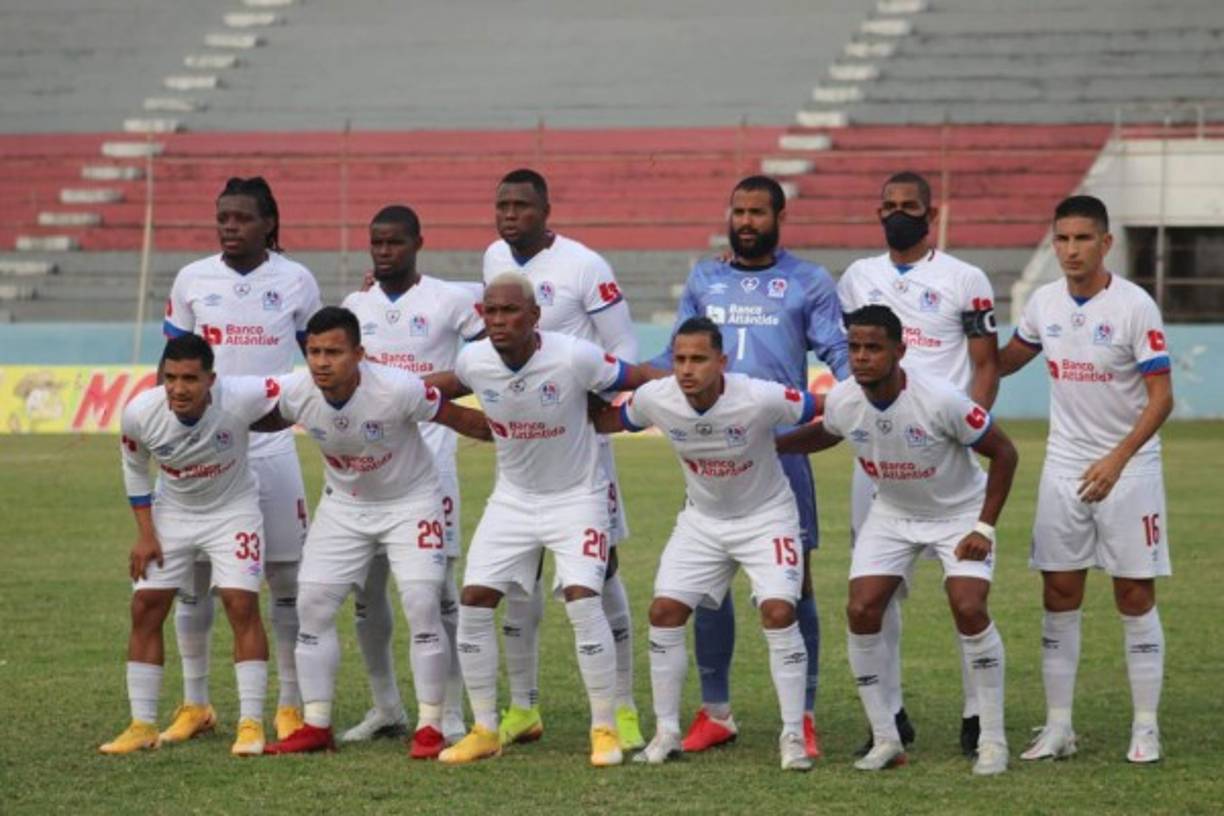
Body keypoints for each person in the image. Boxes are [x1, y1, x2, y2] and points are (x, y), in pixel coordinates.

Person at [650, 175, 849, 758]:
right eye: (738, 211)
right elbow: (670, 356)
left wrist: (857, 391)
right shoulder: (705, 277)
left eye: (758, 212)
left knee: (796, 585)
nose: (746, 221)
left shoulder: (808, 281)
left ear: (779, 216)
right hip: (713, 450)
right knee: (707, 588)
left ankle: (804, 715)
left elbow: (837, 352)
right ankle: (715, 712)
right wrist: (615, 377)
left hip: (779, 449)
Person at [426, 274, 657, 767]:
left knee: (581, 601)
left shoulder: (574, 356)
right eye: (490, 312)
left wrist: (683, 392)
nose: (499, 321)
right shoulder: (474, 360)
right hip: (513, 499)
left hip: (578, 498)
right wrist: (388, 389)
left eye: (510, 311)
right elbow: (449, 389)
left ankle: (605, 729)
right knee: (473, 602)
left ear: (534, 316)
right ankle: (486, 728)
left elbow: (637, 380)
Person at [778, 304, 1017, 775]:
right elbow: (828, 433)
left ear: (899, 351)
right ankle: (887, 738)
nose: (862, 357)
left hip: (957, 513)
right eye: (854, 348)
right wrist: (773, 445)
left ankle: (992, 739)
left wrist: (983, 528)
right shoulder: (846, 398)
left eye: (873, 348)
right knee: (862, 608)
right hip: (894, 511)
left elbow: (1004, 453)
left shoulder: (941, 399)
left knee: (968, 606)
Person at [257, 307, 492, 756]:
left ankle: (429, 726)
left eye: (334, 352)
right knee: (312, 604)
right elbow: (260, 416)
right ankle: (317, 724)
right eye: (314, 352)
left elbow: (459, 419)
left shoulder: (398, 388)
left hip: (412, 502)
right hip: (345, 506)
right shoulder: (297, 391)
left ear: (359, 354)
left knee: (424, 604)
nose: (322, 362)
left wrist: (520, 432)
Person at [593, 316, 817, 771]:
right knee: (664, 612)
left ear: (722, 361)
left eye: (698, 359)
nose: (687, 369)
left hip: (767, 518)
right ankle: (667, 732)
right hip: (703, 521)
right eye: (679, 359)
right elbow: (611, 419)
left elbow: (826, 406)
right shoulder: (657, 398)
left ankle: (793, 735)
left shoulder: (758, 396)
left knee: (778, 612)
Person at [1000, 195, 1174, 764]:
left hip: (1129, 469)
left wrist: (1119, 458)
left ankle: (1145, 726)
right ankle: (1058, 727)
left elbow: (1162, 397)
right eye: (1061, 239)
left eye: (1081, 239)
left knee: (1133, 593)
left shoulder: (1134, 306)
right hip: (1063, 467)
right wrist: (958, 339)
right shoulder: (1044, 303)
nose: (1070, 250)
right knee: (1059, 594)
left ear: (1106, 243)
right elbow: (1004, 361)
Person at [837, 170, 1001, 757]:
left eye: (908, 205)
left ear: (930, 214)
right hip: (881, 455)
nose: (897, 213)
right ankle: (891, 714)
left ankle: (978, 713)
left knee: (965, 592)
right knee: (879, 593)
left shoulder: (965, 278)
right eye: (888, 205)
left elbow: (986, 363)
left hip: (945, 450)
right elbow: (850, 354)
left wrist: (969, 426)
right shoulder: (858, 277)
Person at [481, 168, 644, 750]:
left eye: (522, 205)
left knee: (604, 569)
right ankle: (523, 708)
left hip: (580, 449)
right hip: (522, 447)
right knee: (518, 576)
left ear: (546, 209)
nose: (509, 214)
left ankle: (621, 708)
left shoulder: (584, 265)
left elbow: (623, 347)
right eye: (502, 204)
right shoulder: (493, 259)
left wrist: (594, 403)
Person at [162, 177, 321, 743]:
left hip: (272, 441)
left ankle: (289, 703)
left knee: (283, 576)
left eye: (242, 218)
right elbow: (174, 360)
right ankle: (195, 702)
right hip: (205, 445)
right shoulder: (191, 280)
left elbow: (317, 357)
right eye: (223, 217)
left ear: (269, 224)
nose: (230, 226)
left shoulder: (297, 280)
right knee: (193, 576)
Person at [338, 205, 484, 746]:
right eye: (376, 242)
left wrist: (433, 388)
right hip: (367, 468)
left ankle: (446, 710)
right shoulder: (356, 304)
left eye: (395, 242)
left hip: (430, 467)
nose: (383, 251)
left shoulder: (448, 299)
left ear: (418, 242)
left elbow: (491, 345)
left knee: (436, 591)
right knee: (366, 591)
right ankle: (385, 706)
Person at [101, 335, 281, 756]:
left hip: (233, 510)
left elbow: (297, 391)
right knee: (146, 606)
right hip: (173, 513)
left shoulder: (240, 397)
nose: (178, 388)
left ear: (211, 380)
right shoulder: (140, 413)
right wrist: (146, 534)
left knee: (241, 604)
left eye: (189, 379)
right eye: (170, 378)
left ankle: (251, 723)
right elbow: (135, 470)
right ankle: (142, 724)